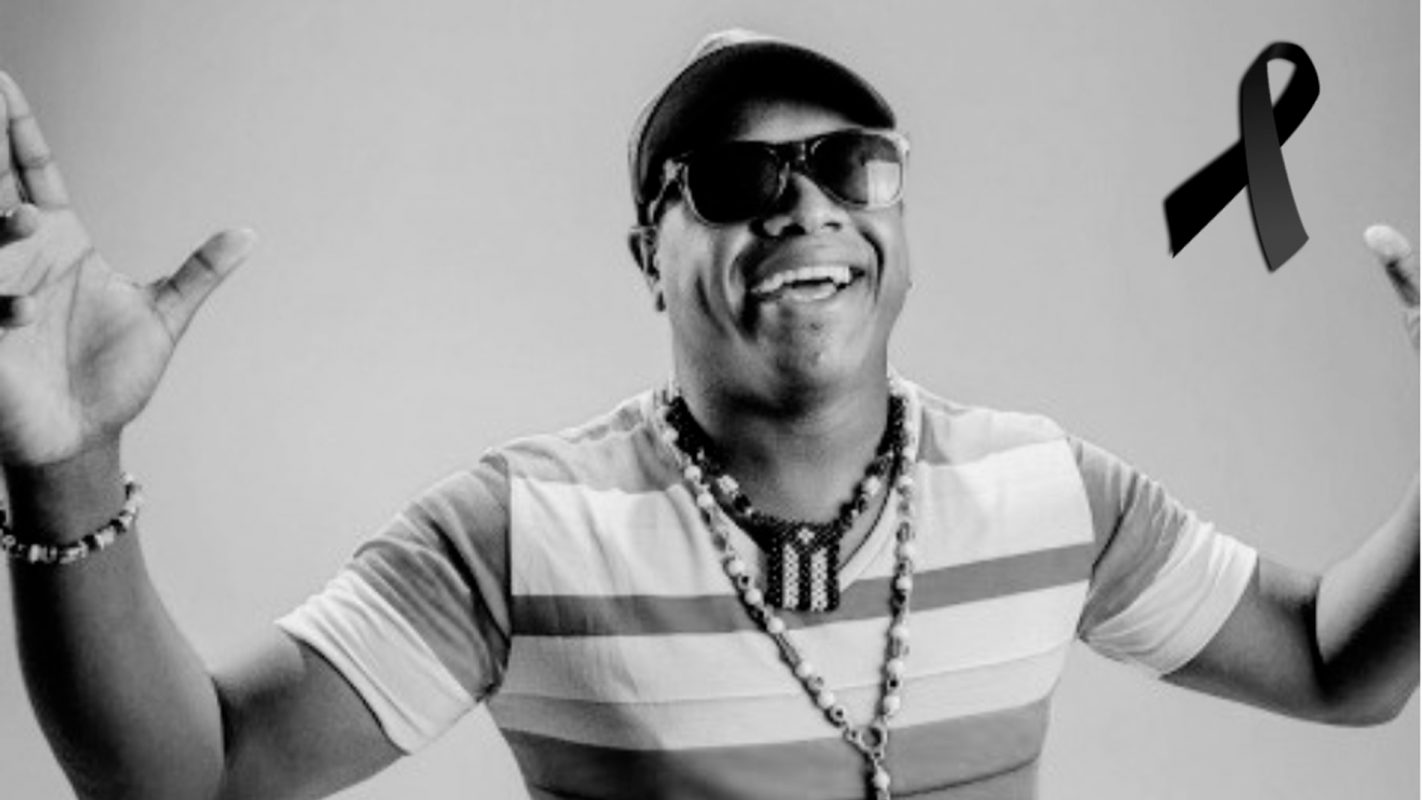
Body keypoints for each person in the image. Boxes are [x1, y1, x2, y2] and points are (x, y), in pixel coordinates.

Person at [0, 28, 1415, 800]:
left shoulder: (1051, 491)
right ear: (649, 257)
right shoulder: (521, 530)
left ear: (898, 222)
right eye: (736, 181)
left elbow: (1338, 668)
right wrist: (71, 465)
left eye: (850, 165)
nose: (804, 206)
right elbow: (196, 782)